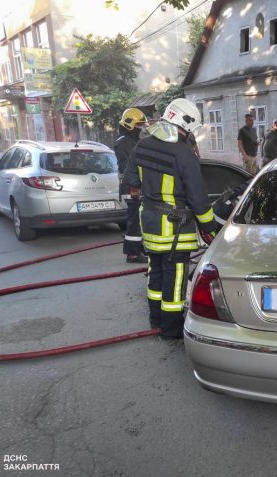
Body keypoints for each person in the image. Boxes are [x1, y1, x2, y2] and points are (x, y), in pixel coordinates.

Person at [124, 99, 217, 339]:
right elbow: (198, 198)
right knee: (175, 279)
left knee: (155, 271)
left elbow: (131, 182)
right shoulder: (184, 154)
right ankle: (170, 328)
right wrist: (211, 228)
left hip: (150, 223)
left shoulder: (141, 146)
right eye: (189, 130)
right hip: (175, 228)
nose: (188, 134)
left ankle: (155, 320)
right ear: (183, 124)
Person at [115, 108, 148, 264]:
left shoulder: (133, 140)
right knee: (134, 220)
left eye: (141, 125)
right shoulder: (123, 142)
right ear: (129, 124)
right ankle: (132, 254)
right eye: (138, 125)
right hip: (131, 187)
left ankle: (139, 248)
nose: (140, 128)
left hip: (137, 186)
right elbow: (127, 167)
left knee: (139, 219)